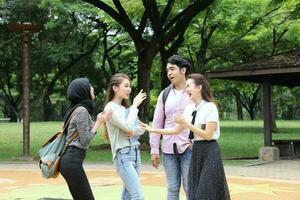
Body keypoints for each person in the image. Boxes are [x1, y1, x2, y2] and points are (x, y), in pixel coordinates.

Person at [141, 73, 231, 200]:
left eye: (189, 86)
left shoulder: (210, 107)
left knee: (207, 191)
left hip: (210, 151)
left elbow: (208, 135)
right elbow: (175, 130)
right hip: (197, 151)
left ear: (199, 88)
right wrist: (153, 129)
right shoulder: (189, 108)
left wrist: (186, 124)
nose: (186, 89)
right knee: (194, 190)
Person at [59, 77, 111, 200]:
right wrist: (98, 123)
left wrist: (98, 121)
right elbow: (85, 140)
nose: (92, 88)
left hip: (69, 161)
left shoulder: (75, 108)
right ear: (83, 91)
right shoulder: (81, 110)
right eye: (90, 86)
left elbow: (82, 132)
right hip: (72, 161)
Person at [150, 55, 192, 200]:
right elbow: (157, 122)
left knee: (190, 187)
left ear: (183, 70)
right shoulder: (165, 94)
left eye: (172, 69)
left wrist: (194, 141)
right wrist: (154, 149)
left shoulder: (193, 91)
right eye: (167, 70)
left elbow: (202, 118)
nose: (169, 73)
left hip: (188, 147)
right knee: (172, 188)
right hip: (168, 148)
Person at [104, 73, 147, 200]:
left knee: (128, 196)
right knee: (137, 196)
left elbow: (140, 128)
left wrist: (133, 131)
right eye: (126, 86)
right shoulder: (110, 108)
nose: (129, 89)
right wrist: (134, 106)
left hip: (135, 152)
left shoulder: (125, 108)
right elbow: (127, 127)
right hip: (123, 155)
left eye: (130, 86)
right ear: (115, 88)